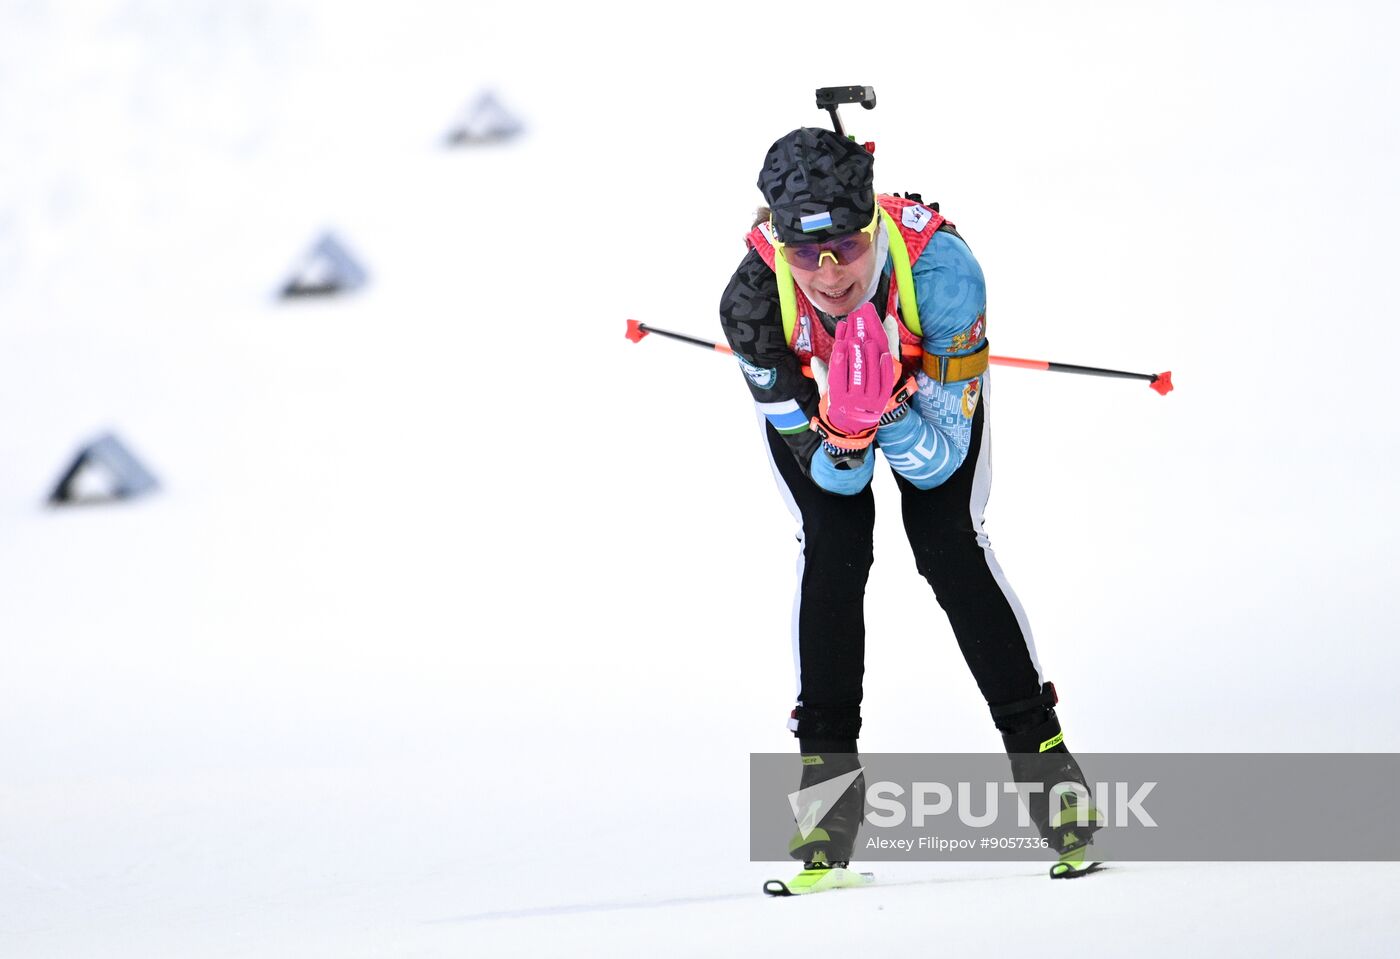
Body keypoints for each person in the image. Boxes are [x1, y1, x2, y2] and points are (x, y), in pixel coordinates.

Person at [718, 127, 1100, 892]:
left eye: (848, 251)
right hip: (832, 411)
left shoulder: (944, 272)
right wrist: (848, 426)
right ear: (775, 241)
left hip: (929, 395)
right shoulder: (752, 302)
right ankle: (826, 822)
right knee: (834, 545)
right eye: (805, 255)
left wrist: (891, 407)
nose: (828, 277)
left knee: (949, 544)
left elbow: (941, 462)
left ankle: (1057, 790)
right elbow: (836, 484)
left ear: (871, 229)